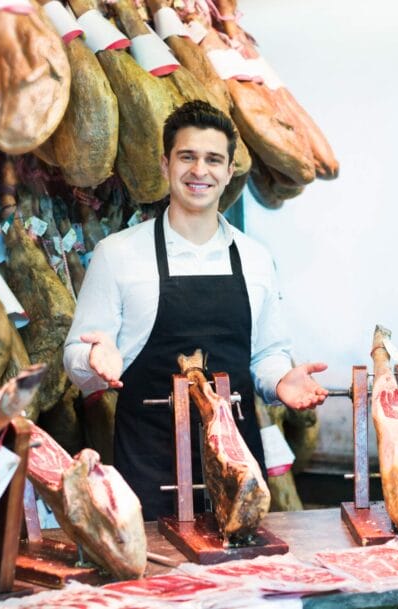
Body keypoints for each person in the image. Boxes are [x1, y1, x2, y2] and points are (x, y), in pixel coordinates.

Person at [62, 100, 328, 521]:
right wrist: (93, 359)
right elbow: (75, 356)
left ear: (229, 170)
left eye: (213, 159)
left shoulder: (256, 258)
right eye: (187, 156)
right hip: (148, 471)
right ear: (165, 164)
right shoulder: (117, 254)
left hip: (239, 474)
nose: (199, 170)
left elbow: (267, 354)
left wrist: (280, 379)